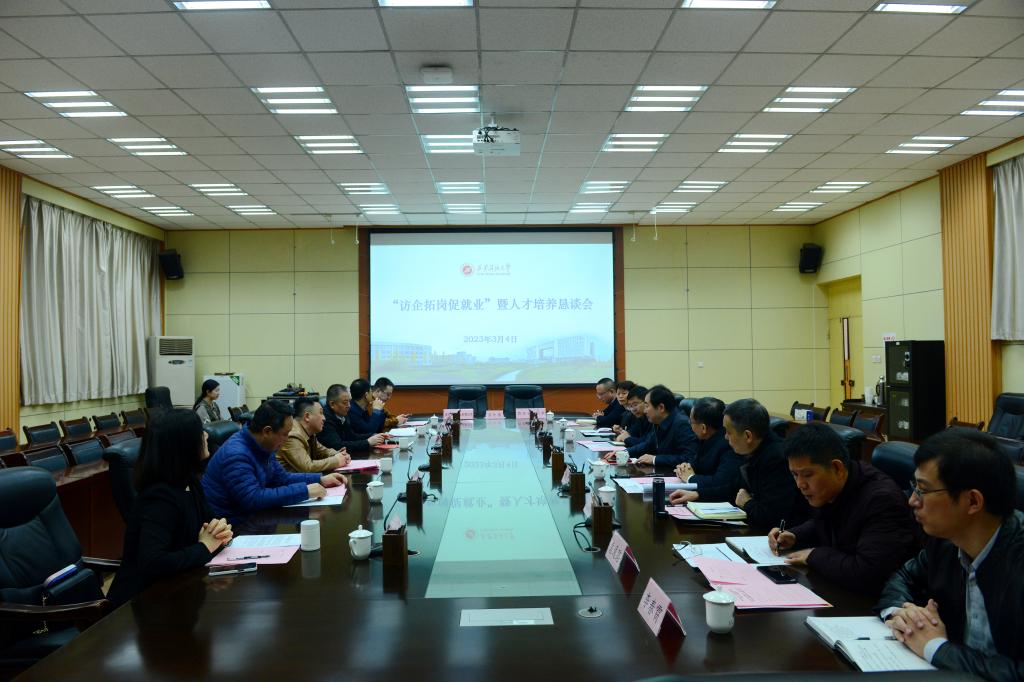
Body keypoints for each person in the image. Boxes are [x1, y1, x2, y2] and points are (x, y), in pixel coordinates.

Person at [876, 429, 1024, 680]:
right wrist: (901, 614)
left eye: (923, 490)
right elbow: (905, 577)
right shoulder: (946, 540)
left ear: (973, 501)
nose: (912, 501)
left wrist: (936, 648)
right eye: (914, 487)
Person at [766, 422, 919, 595]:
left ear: (837, 468)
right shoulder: (834, 487)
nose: (800, 484)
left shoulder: (882, 500)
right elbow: (825, 521)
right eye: (795, 475)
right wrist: (795, 535)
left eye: (807, 475)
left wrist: (813, 555)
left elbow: (867, 574)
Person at [108, 409, 233, 606]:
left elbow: (210, 524)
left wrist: (221, 531)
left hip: (180, 588)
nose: (206, 435)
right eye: (200, 431)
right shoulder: (159, 499)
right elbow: (153, 562)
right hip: (143, 603)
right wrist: (205, 547)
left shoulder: (189, 481)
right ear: (184, 445)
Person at [202, 400, 347, 523]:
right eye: (285, 434)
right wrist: (305, 491)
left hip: (256, 518)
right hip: (232, 525)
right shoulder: (236, 455)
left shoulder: (263, 445)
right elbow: (253, 499)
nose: (287, 438)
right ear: (267, 431)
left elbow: (282, 478)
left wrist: (320, 479)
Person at [724, 398, 807, 529]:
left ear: (748, 436)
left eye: (729, 432)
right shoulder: (753, 450)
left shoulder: (777, 459)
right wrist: (699, 493)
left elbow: (773, 517)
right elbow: (735, 488)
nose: (725, 437)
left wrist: (747, 503)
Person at [666, 397, 743, 504]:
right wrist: (685, 467)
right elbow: (696, 462)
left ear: (703, 428)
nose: (689, 424)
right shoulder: (706, 438)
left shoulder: (729, 444)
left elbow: (721, 482)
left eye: (691, 421)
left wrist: (691, 478)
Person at [624, 385, 698, 463]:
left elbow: (688, 458)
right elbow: (648, 445)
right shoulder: (658, 421)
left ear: (661, 407)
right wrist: (625, 452)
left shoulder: (682, 424)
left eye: (647, 406)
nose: (645, 411)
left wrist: (655, 459)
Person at [276, 397, 352, 473]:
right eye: (321, 413)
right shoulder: (292, 436)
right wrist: (336, 461)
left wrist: (340, 454)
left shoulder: (310, 433)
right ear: (307, 416)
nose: (324, 418)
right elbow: (307, 467)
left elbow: (323, 451)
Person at [320, 383, 387, 456]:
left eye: (349, 401)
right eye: (345, 403)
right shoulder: (325, 419)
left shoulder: (342, 413)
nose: (349, 405)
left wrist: (373, 435)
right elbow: (337, 446)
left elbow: (351, 436)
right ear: (332, 404)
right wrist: (367, 442)